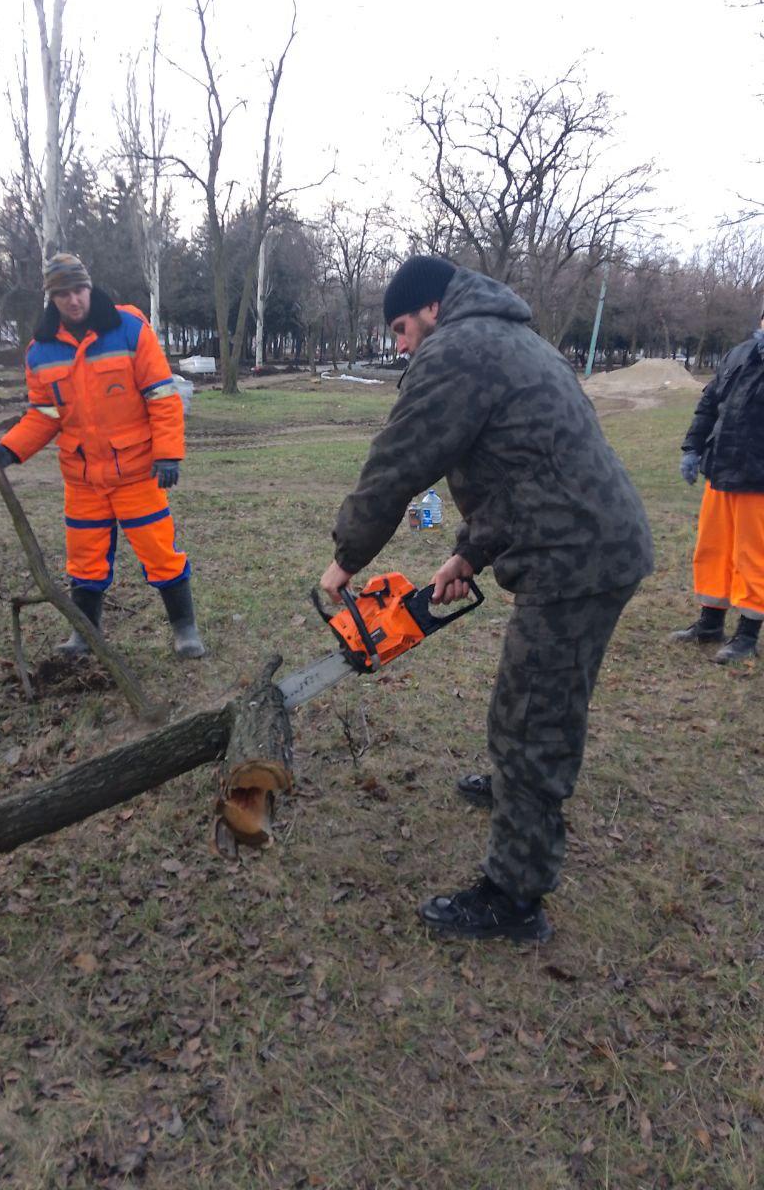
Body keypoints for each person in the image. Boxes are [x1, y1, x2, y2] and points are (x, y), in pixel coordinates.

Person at [319, 255, 653, 943]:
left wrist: (345, 559)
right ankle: (516, 794)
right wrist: (469, 553)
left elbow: (399, 460)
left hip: (576, 556)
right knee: (537, 700)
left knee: (533, 715)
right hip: (590, 540)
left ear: (432, 310)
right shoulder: (512, 339)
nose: (402, 346)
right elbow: (526, 466)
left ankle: (513, 898)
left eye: (403, 330)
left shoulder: (460, 349)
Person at [0, 253, 205, 659]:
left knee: (160, 552)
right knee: (84, 561)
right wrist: (9, 450)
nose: (73, 300)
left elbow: (162, 395)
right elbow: (43, 414)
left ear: (90, 287)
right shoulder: (40, 351)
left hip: (137, 473)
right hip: (83, 478)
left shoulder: (130, 330)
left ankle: (185, 631)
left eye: (78, 290)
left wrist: (168, 454)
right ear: (51, 298)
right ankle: (84, 635)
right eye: (62, 293)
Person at [672, 307, 764, 663]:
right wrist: (692, 449)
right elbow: (709, 403)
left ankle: (747, 634)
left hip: (758, 480)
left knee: (753, 555)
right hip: (721, 469)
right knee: (713, 549)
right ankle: (710, 622)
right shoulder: (738, 354)